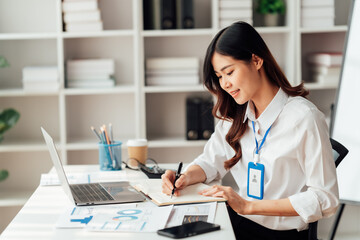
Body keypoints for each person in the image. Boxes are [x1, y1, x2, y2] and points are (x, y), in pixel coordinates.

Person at [161, 21, 339, 240]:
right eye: (219, 76)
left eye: (229, 72)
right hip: (240, 225)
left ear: (256, 60)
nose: (224, 84)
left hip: (282, 235)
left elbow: (325, 198)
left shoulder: (304, 118)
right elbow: (210, 162)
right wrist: (184, 177)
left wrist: (248, 206)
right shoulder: (236, 115)